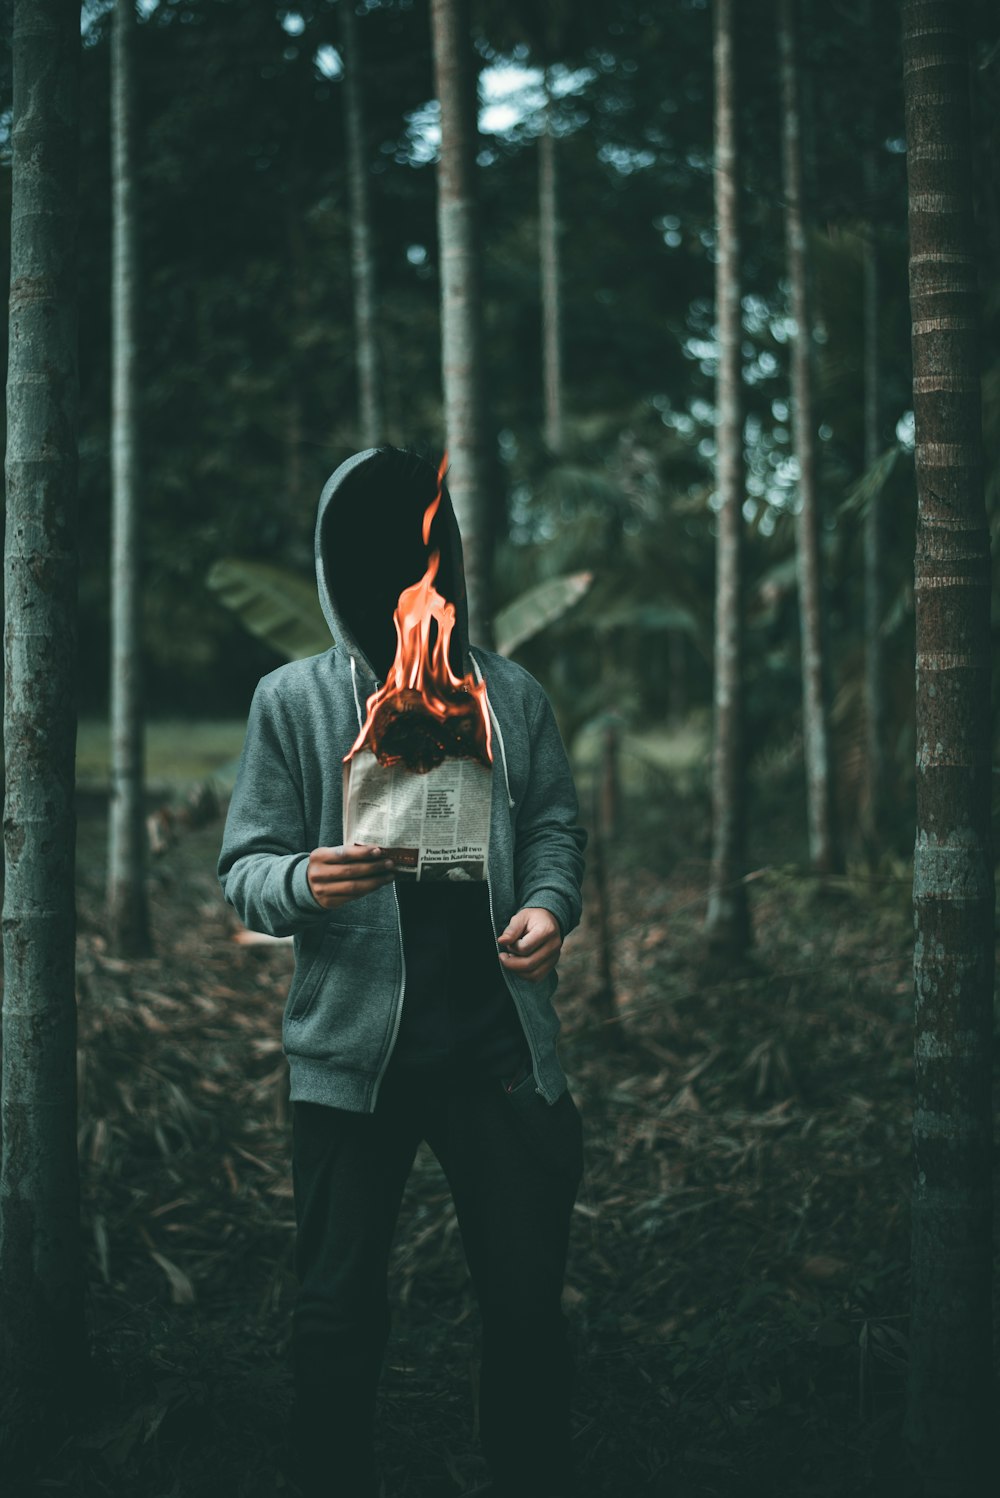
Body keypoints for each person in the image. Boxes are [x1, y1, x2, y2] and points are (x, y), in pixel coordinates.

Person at [217, 446, 587, 1498]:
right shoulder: (290, 704)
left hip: (495, 1056)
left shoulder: (508, 695)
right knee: (334, 1312)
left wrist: (548, 907)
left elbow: (555, 821)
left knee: (523, 1307)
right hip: (351, 1064)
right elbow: (243, 872)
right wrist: (302, 878)